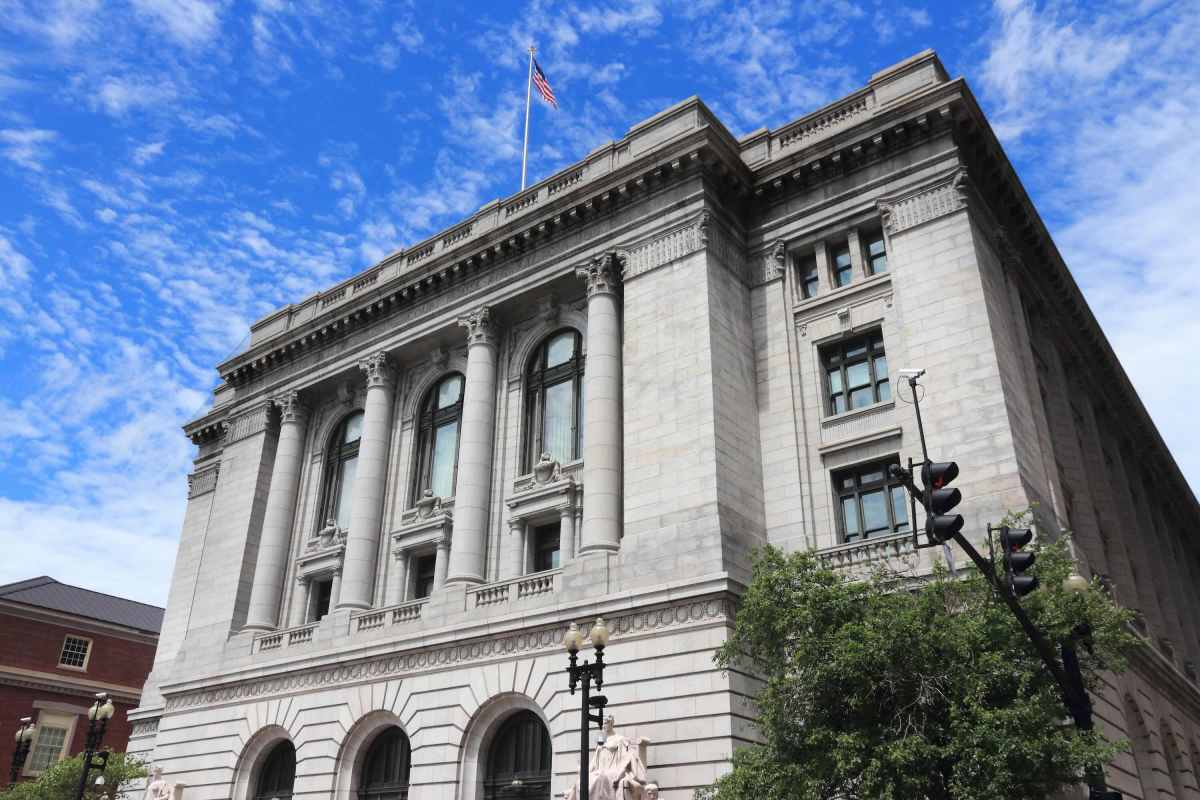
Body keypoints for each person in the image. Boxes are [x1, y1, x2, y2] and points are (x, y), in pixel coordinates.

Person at [566, 716, 649, 800]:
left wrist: (620, 773)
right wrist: (585, 771)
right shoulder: (601, 738)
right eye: (602, 723)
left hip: (613, 770)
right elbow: (595, 760)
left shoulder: (620, 739)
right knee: (581, 781)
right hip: (599, 770)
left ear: (612, 723)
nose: (603, 725)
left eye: (605, 723)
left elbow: (625, 758)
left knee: (601, 778)